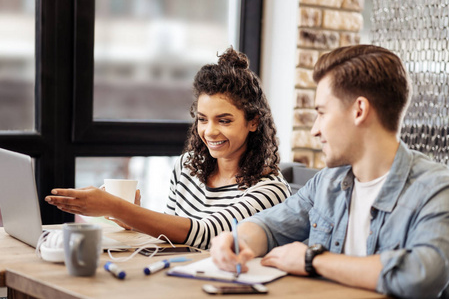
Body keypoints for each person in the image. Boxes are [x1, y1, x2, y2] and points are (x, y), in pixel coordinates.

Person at [210, 45, 449, 298]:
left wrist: (313, 260)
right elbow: (269, 226)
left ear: (359, 110)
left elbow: (421, 275)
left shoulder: (435, 189)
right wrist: (235, 241)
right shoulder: (327, 182)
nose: (315, 130)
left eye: (322, 113)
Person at [45, 47, 291, 250]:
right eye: (203, 119)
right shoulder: (187, 166)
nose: (210, 131)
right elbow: (174, 234)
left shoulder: (270, 190)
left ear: (253, 122)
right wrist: (131, 219)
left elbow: (206, 235)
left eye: (224, 120)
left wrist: (118, 207)